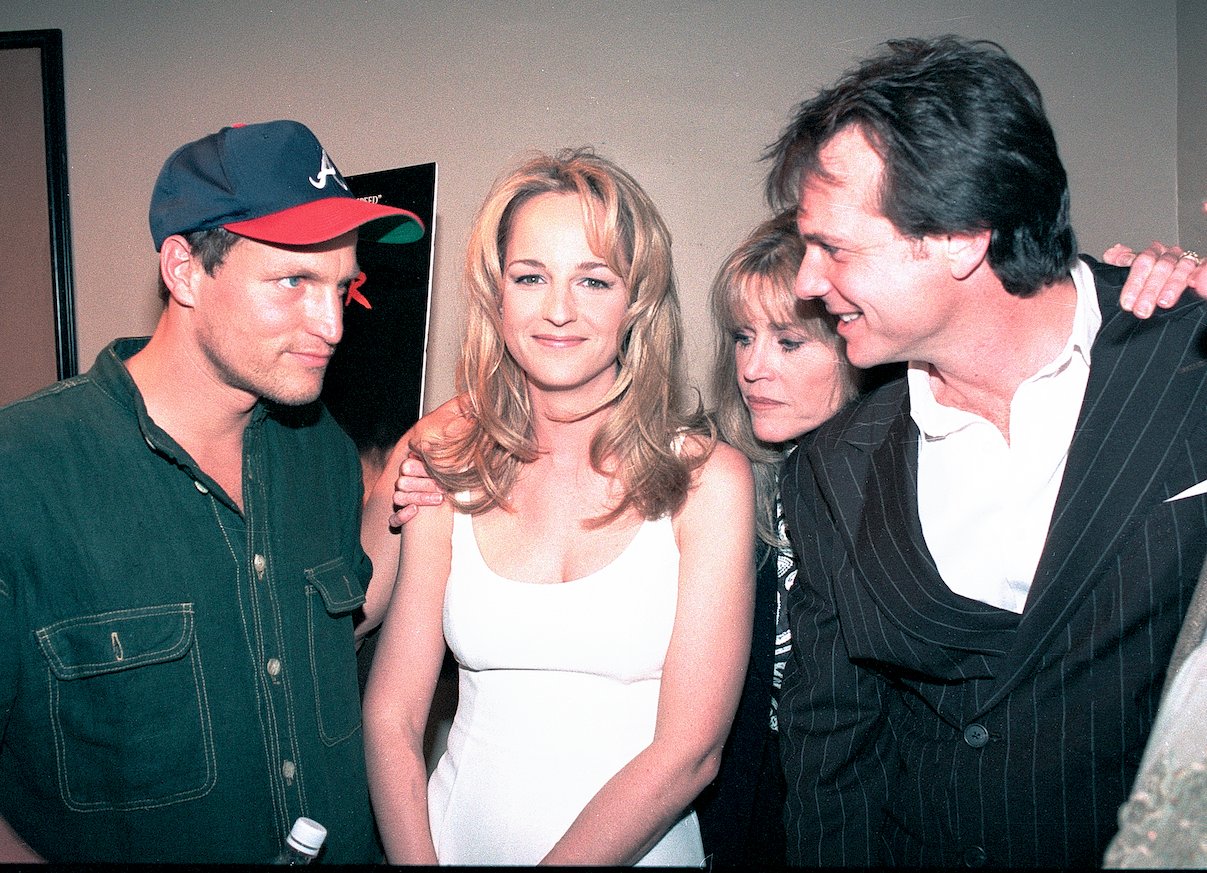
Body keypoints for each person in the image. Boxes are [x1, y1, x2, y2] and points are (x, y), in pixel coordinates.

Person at [766, 35, 1207, 867]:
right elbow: (832, 755)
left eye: (835, 247)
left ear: (962, 237)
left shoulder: (1187, 351)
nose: (806, 282)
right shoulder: (833, 468)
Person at [0, 119, 423, 863]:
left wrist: (402, 477)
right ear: (185, 269)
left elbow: (330, 628)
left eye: (340, 286)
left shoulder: (319, 449)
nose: (330, 325)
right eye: (294, 282)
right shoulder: (22, 474)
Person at [361, 149, 754, 866]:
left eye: (593, 279)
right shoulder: (450, 455)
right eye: (531, 276)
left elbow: (690, 752)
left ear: (636, 298)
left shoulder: (708, 481)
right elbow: (391, 713)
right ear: (497, 294)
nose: (558, 309)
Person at [691, 210, 859, 866]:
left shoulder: (901, 489)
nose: (753, 368)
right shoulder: (730, 478)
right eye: (742, 337)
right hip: (747, 809)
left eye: (788, 341)